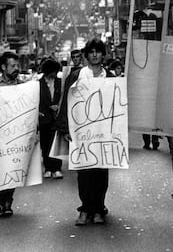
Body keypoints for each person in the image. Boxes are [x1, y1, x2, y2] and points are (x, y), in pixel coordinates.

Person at [56, 39, 114, 225]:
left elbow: (118, 104)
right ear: (86, 55)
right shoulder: (76, 75)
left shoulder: (110, 77)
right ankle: (85, 209)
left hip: (104, 132)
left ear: (103, 54)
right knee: (84, 172)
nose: (95, 55)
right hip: (81, 132)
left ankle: (98, 209)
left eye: (98, 51)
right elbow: (66, 101)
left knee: (101, 172)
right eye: (92, 52)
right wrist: (65, 128)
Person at [0, 52, 23, 217]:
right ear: (3, 67)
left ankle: (7, 201)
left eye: (17, 66)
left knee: (12, 169)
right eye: (12, 66)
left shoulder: (23, 87)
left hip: (15, 136)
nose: (16, 69)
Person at [39, 59, 63, 179]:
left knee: (57, 143)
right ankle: (48, 168)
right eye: (54, 71)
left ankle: (57, 168)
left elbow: (63, 98)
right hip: (44, 118)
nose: (56, 73)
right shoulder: (38, 84)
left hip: (57, 118)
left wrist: (58, 106)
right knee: (45, 144)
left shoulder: (60, 82)